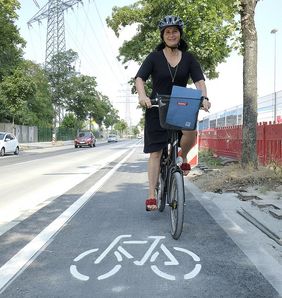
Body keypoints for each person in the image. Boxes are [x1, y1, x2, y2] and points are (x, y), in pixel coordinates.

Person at [135, 15, 211, 211]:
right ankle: (152, 195)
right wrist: (142, 96)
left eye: (175, 31)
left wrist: (203, 98)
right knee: (155, 153)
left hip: (181, 106)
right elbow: (140, 78)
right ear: (163, 35)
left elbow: (199, 81)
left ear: (180, 34)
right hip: (156, 107)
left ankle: (183, 156)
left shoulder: (189, 58)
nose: (171, 34)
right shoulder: (154, 57)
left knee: (191, 132)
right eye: (167, 32)